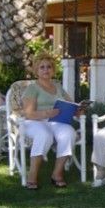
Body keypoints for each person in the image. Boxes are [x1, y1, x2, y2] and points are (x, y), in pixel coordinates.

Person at [21, 54, 80, 189]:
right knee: (44, 135)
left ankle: (57, 173)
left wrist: (78, 110)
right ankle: (32, 175)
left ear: (53, 70)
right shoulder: (32, 88)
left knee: (69, 133)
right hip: (34, 121)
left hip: (56, 121)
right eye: (42, 67)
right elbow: (28, 114)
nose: (46, 70)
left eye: (49, 67)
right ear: (36, 70)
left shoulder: (58, 86)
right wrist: (47, 113)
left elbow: (70, 104)